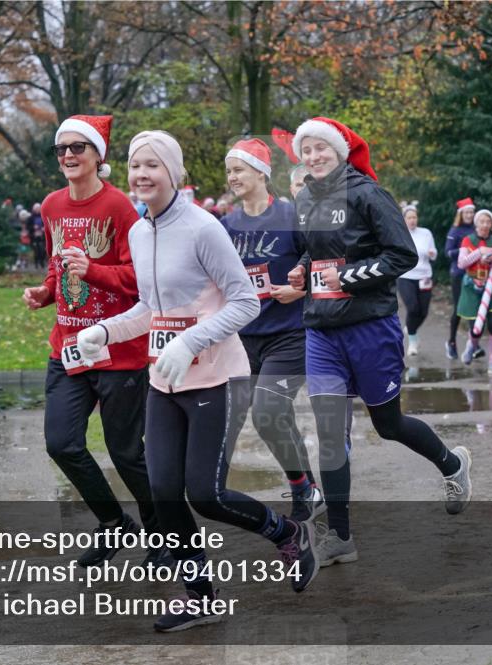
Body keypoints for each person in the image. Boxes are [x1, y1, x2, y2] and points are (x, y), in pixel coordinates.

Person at [76, 130, 320, 632]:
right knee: (165, 495)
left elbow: (245, 302)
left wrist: (190, 342)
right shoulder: (140, 233)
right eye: (135, 165)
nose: (142, 174)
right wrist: (103, 330)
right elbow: (150, 309)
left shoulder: (204, 228)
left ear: (175, 173)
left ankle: (287, 532)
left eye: (153, 165)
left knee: (205, 495)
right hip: (165, 382)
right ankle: (200, 597)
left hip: (215, 378)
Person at [287, 116, 473, 567]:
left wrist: (347, 276)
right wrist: (302, 272)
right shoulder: (306, 198)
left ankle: (452, 464)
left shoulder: (368, 193)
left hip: (370, 327)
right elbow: (315, 251)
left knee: (387, 425)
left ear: (340, 151)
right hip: (321, 331)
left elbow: (402, 254)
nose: (313, 157)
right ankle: (342, 537)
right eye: (306, 150)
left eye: (321, 149)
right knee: (330, 434)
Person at [21, 115, 168, 570]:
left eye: (77, 148)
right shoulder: (51, 206)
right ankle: (113, 523)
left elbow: (142, 281)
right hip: (67, 345)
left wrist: (95, 271)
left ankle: (162, 533)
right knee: (61, 444)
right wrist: (46, 292)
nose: (67, 156)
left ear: (97, 156)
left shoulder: (121, 207)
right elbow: (56, 266)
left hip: (119, 350)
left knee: (126, 454)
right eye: (60, 149)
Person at [219, 138, 325, 521]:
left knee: (267, 411)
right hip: (240, 338)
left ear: (261, 173)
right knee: (228, 416)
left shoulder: (292, 215)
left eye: (239, 169)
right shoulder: (225, 225)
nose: (232, 177)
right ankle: (209, 492)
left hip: (289, 334)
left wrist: (300, 289)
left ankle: (302, 488)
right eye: (229, 171)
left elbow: (324, 260)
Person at [456, 209, 492, 374]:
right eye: (482, 221)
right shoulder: (467, 240)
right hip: (472, 287)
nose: (485, 225)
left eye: (488, 222)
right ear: (476, 224)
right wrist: (479, 252)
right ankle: (472, 345)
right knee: (475, 328)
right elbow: (461, 264)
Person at [445, 197, 483, 360]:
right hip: (459, 275)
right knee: (460, 309)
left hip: (475, 274)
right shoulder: (455, 231)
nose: (469, 215)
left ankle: (474, 345)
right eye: (466, 212)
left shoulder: (478, 230)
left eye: (471, 212)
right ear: (461, 214)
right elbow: (447, 253)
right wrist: (464, 251)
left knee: (474, 308)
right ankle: (451, 342)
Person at [398, 203, 438, 356]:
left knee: (423, 312)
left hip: (424, 276)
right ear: (404, 219)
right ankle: (413, 343)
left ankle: (410, 326)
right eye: (409, 218)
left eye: (414, 217)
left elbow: (434, 253)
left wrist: (431, 253)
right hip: (406, 276)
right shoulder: (400, 234)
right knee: (413, 308)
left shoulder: (426, 233)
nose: (412, 220)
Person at [30, 202, 47, 270]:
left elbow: (47, 225)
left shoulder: (43, 216)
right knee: (36, 251)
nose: (37, 210)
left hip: (42, 236)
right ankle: (36, 264)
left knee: (43, 250)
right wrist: (33, 227)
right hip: (34, 236)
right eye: (36, 209)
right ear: (34, 209)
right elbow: (28, 227)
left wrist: (44, 228)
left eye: (38, 208)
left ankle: (42, 263)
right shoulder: (31, 218)